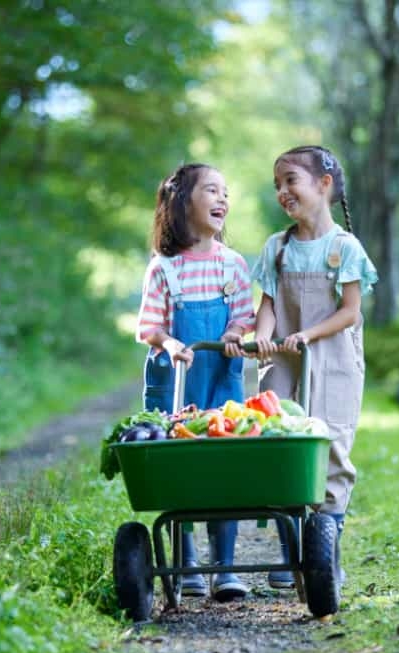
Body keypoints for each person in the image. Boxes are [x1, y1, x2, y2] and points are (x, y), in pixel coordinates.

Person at [250, 145, 377, 589]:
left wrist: (308, 334)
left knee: (332, 446)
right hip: (284, 360)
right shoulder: (277, 247)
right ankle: (290, 554)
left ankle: (325, 555)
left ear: (323, 185)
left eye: (291, 180)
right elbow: (267, 305)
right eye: (277, 184)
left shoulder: (345, 247)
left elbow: (350, 312)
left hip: (334, 359)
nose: (282, 191)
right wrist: (263, 336)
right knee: (282, 447)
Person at [135, 162, 255, 601]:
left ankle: (224, 566)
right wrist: (170, 344)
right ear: (183, 202)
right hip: (177, 381)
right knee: (179, 468)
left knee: (225, 467)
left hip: (220, 378)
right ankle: (186, 564)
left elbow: (243, 315)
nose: (223, 199)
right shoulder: (164, 268)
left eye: (225, 192)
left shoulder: (232, 265)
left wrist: (234, 334)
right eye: (212, 190)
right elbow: (149, 326)